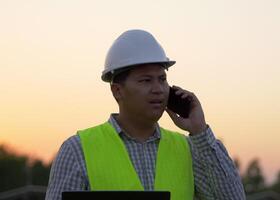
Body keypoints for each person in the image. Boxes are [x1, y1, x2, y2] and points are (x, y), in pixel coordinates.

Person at [45, 30, 246, 200]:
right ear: (117, 91)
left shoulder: (190, 149)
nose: (158, 89)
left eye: (162, 79)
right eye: (146, 81)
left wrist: (200, 131)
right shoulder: (78, 150)